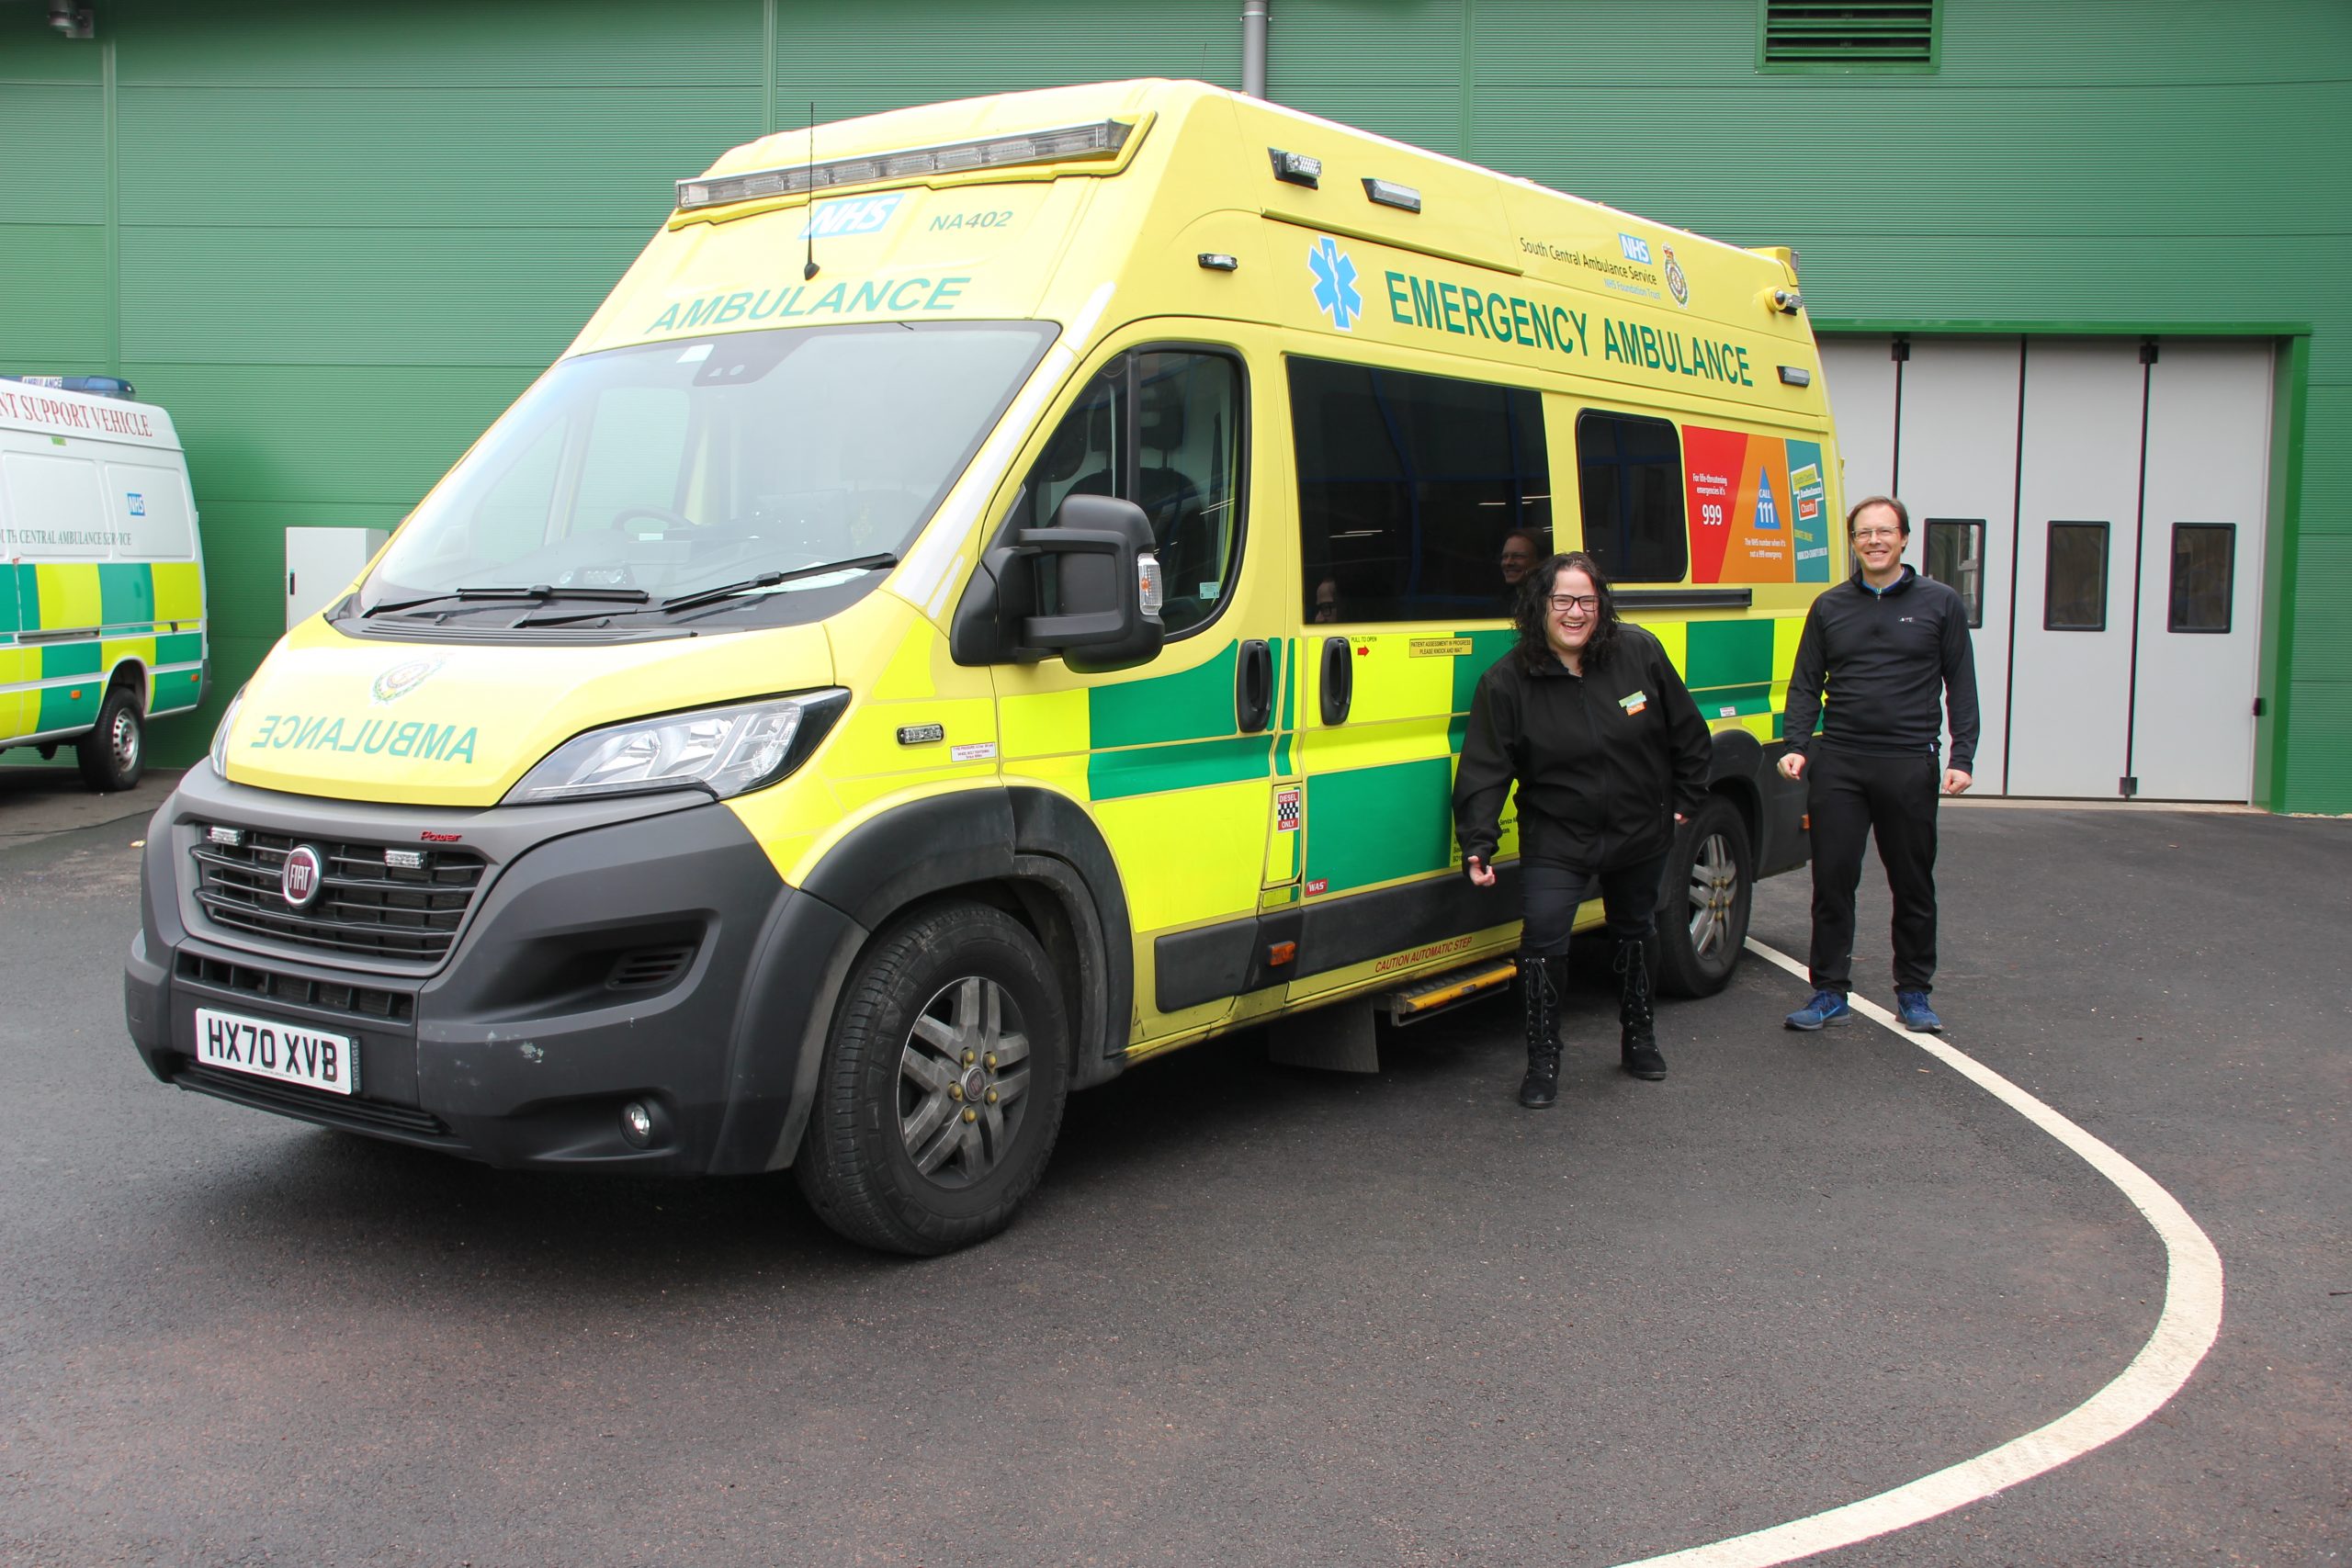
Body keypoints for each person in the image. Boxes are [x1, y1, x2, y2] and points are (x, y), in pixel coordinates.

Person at [1454, 550, 1711, 1108]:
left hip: (1639, 831)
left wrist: (1685, 800)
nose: (1576, 612)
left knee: (1635, 929)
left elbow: (1688, 733)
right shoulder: (1507, 682)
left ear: (1602, 606)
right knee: (1543, 942)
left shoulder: (1638, 653)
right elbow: (1484, 769)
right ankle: (1543, 1061)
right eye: (1563, 599)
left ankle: (1639, 1037)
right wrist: (1478, 842)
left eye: (1587, 600)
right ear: (1540, 605)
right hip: (1558, 837)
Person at [1777, 495, 1980, 1035]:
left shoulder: (1940, 603)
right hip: (1839, 762)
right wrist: (1795, 743)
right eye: (1863, 532)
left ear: (1905, 538)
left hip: (1909, 763)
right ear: (1853, 541)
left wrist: (1963, 755)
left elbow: (1961, 684)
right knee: (1833, 881)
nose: (1874, 541)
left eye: (1884, 531)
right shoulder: (1830, 606)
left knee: (1912, 883)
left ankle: (1914, 993)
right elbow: (1805, 682)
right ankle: (1828, 993)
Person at [1498, 528, 1544, 605]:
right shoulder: (1502, 603)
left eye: (1518, 556)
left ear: (1541, 561)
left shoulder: (1551, 601)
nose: (1508, 562)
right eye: (1505, 557)